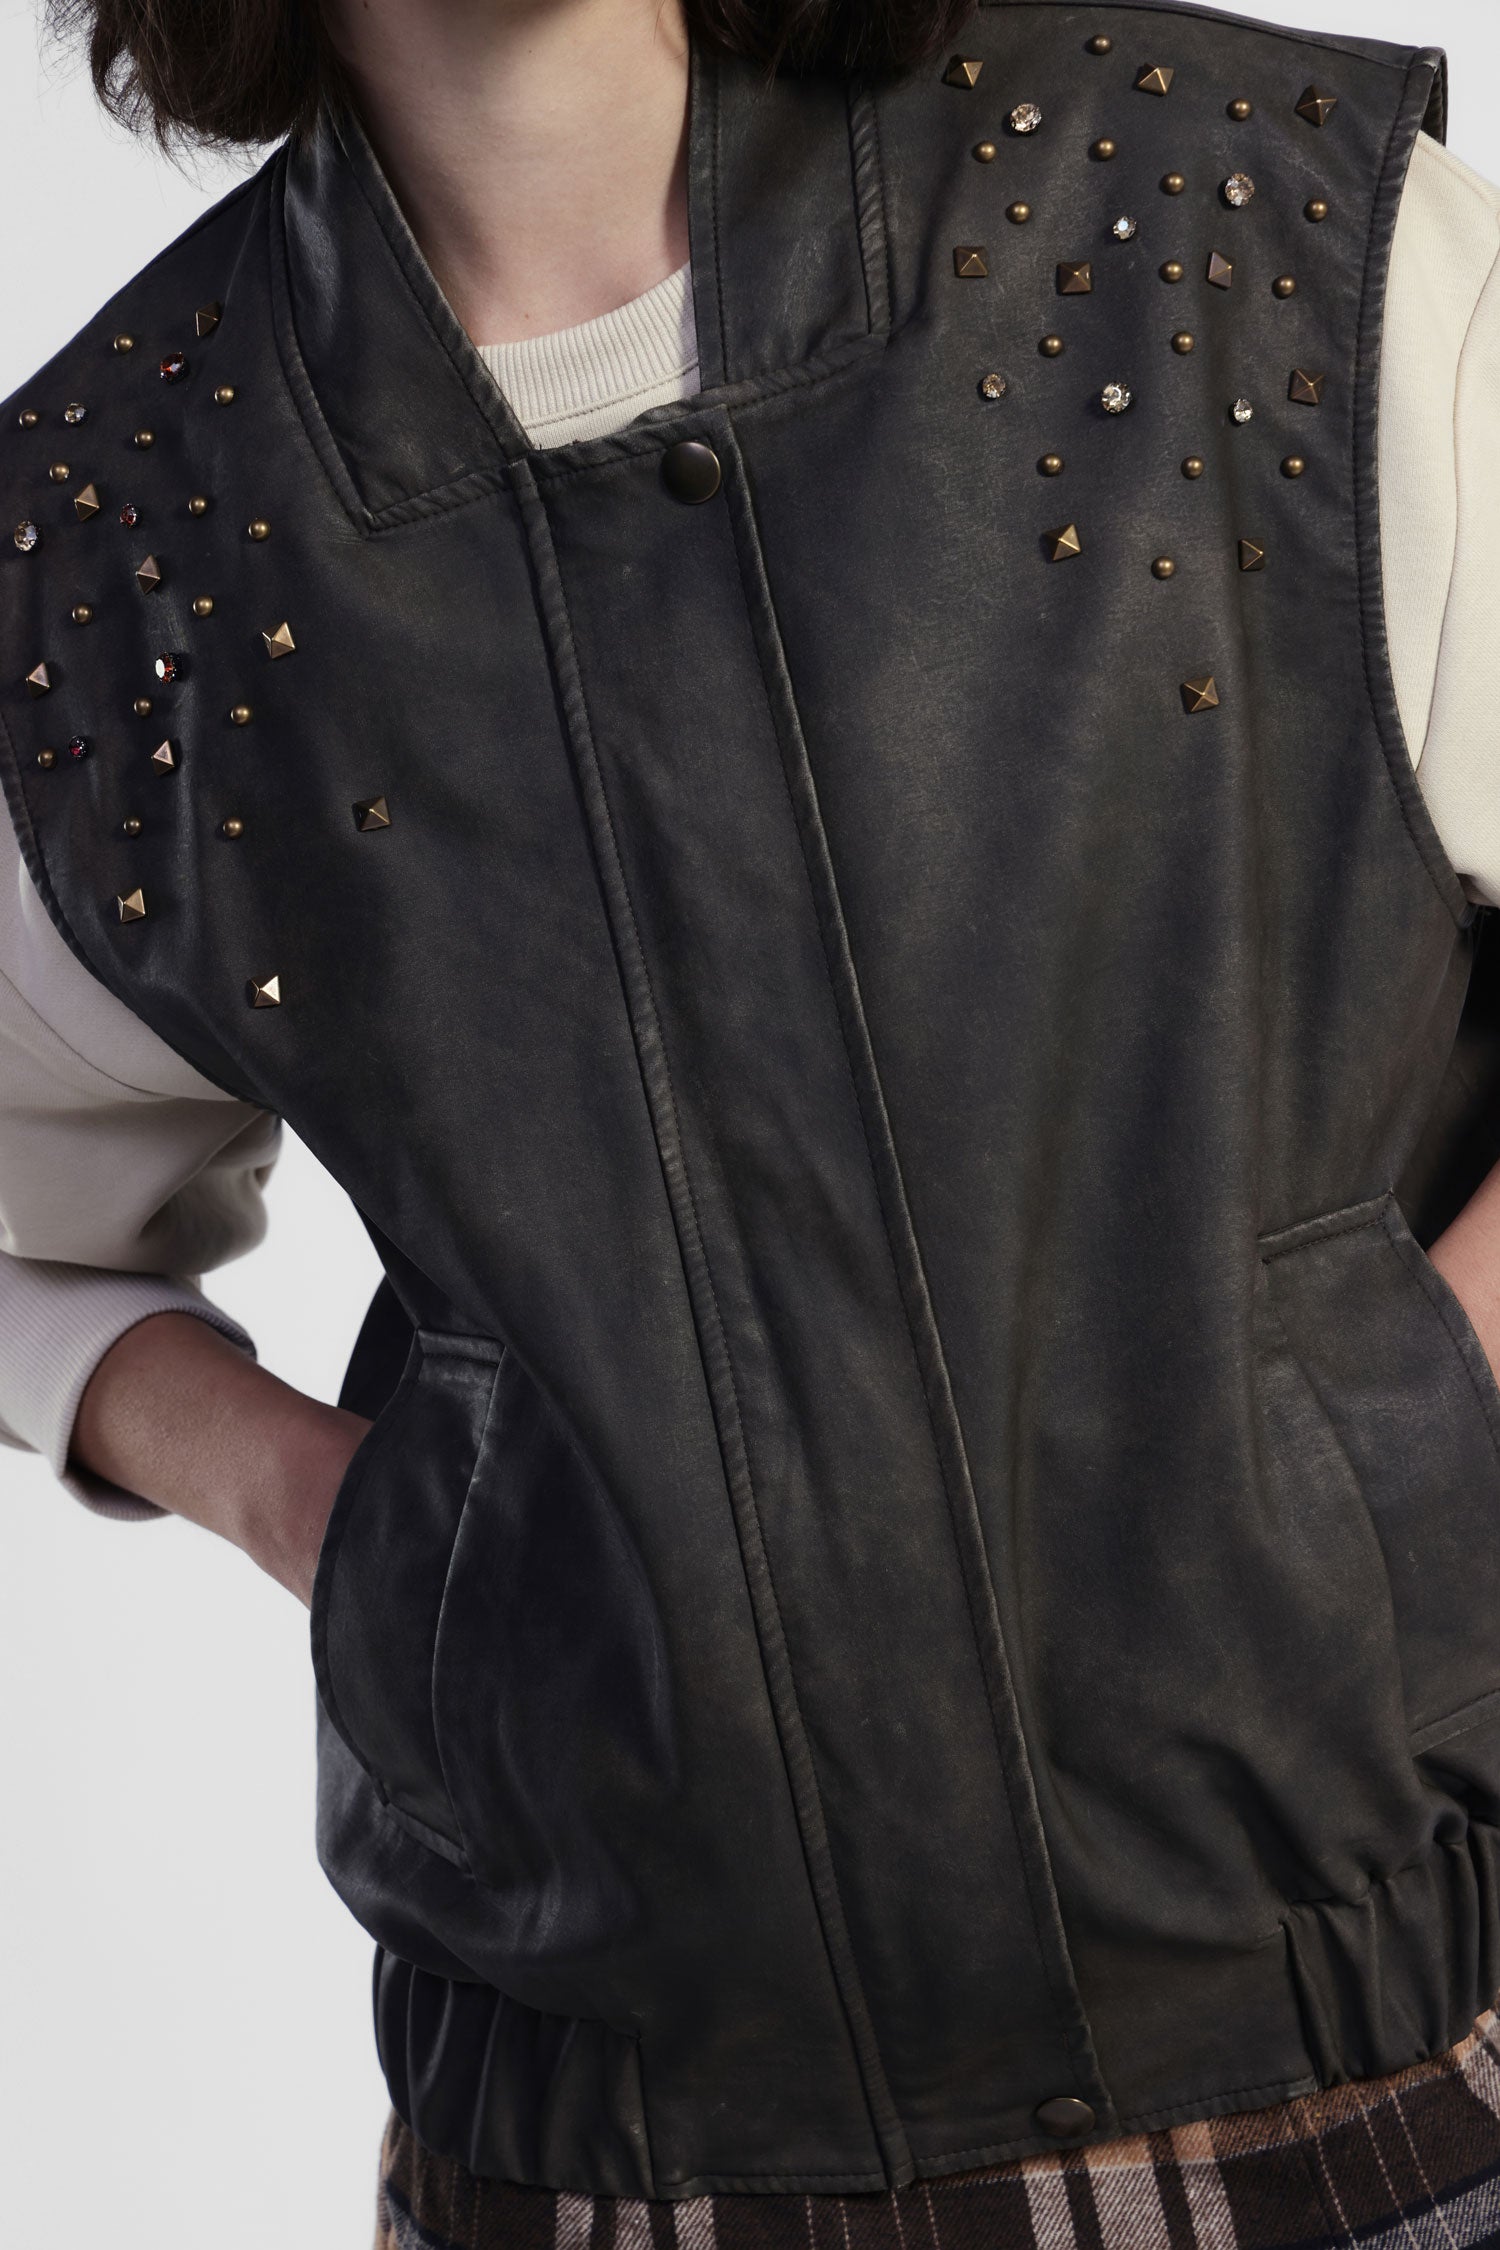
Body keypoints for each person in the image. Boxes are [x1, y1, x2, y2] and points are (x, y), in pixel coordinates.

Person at [5, 0, 1500, 2238]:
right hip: (586, 2173)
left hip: (1378, 2103)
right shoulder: (121, 522)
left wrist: (1398, 1412)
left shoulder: (1242, 224)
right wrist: (325, 1511)